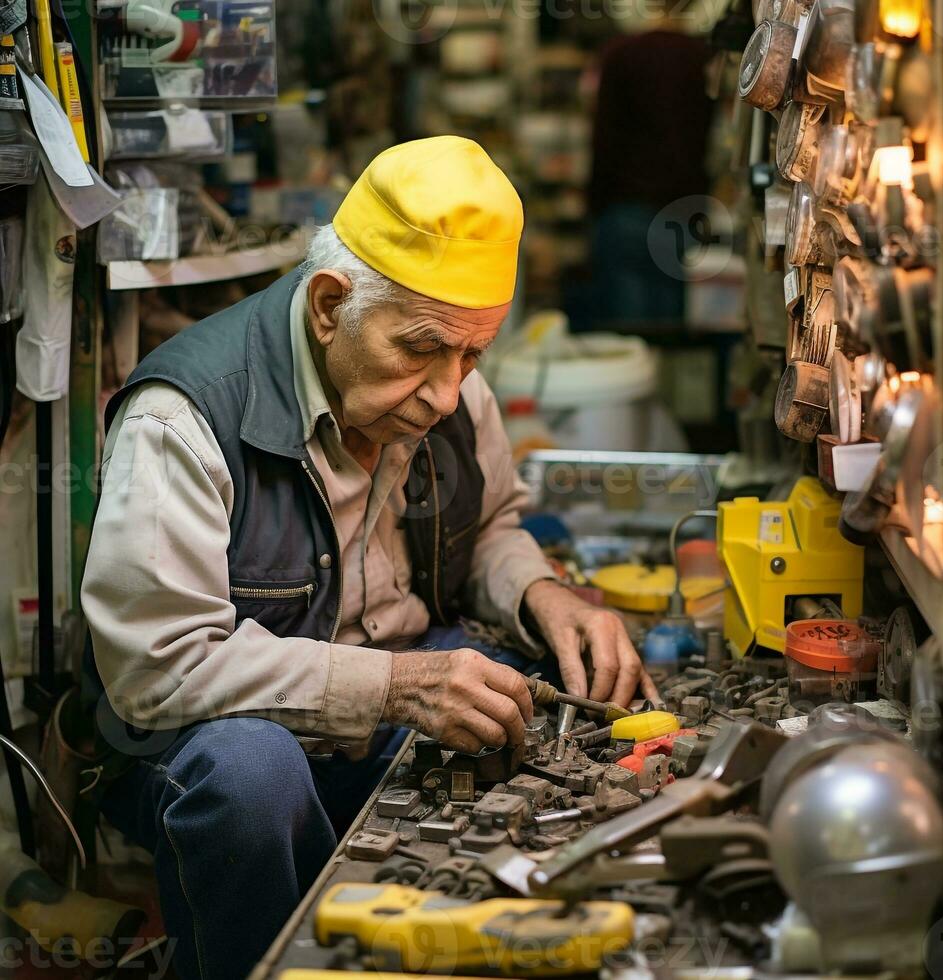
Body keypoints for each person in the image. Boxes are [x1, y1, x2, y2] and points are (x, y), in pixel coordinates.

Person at [81, 136, 660, 980]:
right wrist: (393, 686)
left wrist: (542, 591)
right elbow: (155, 668)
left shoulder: (445, 372)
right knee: (250, 776)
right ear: (328, 305)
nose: (447, 391)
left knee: (520, 712)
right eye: (421, 350)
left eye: (473, 356)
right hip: (224, 741)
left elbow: (493, 525)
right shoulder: (183, 418)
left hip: (393, 701)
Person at [588, 7, 716, 324]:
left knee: (629, 327)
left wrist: (592, 207)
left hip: (625, 204)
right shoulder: (702, 57)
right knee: (674, 323)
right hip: (682, 208)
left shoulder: (620, 54)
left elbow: (603, 138)